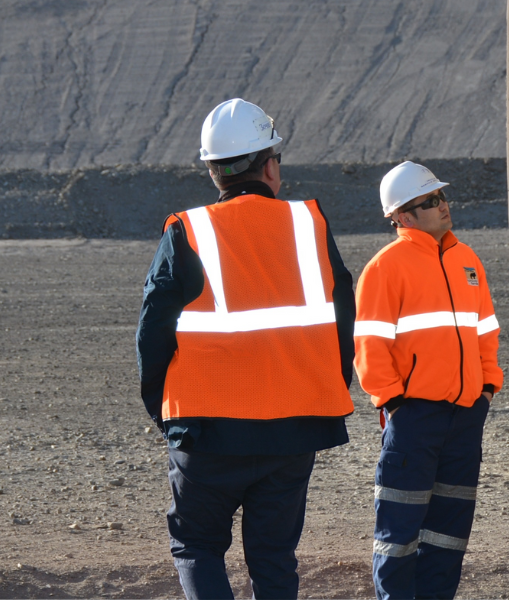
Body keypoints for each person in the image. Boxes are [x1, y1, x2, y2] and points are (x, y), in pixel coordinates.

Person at [135, 98, 356, 600]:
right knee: (274, 556)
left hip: (207, 430)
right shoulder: (310, 226)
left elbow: (152, 331)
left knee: (197, 545)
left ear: (214, 172)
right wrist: (324, 389)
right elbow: (344, 316)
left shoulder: (186, 230)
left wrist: (163, 412)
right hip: (297, 426)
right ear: (270, 166)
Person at [354, 161, 503, 599]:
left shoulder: (467, 259)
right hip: (414, 420)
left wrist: (486, 389)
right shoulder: (386, 267)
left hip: (464, 419)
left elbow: (486, 331)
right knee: (398, 535)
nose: (444, 205)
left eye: (441, 197)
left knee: (449, 535)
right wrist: (394, 402)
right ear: (402, 216)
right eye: (431, 201)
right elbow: (369, 345)